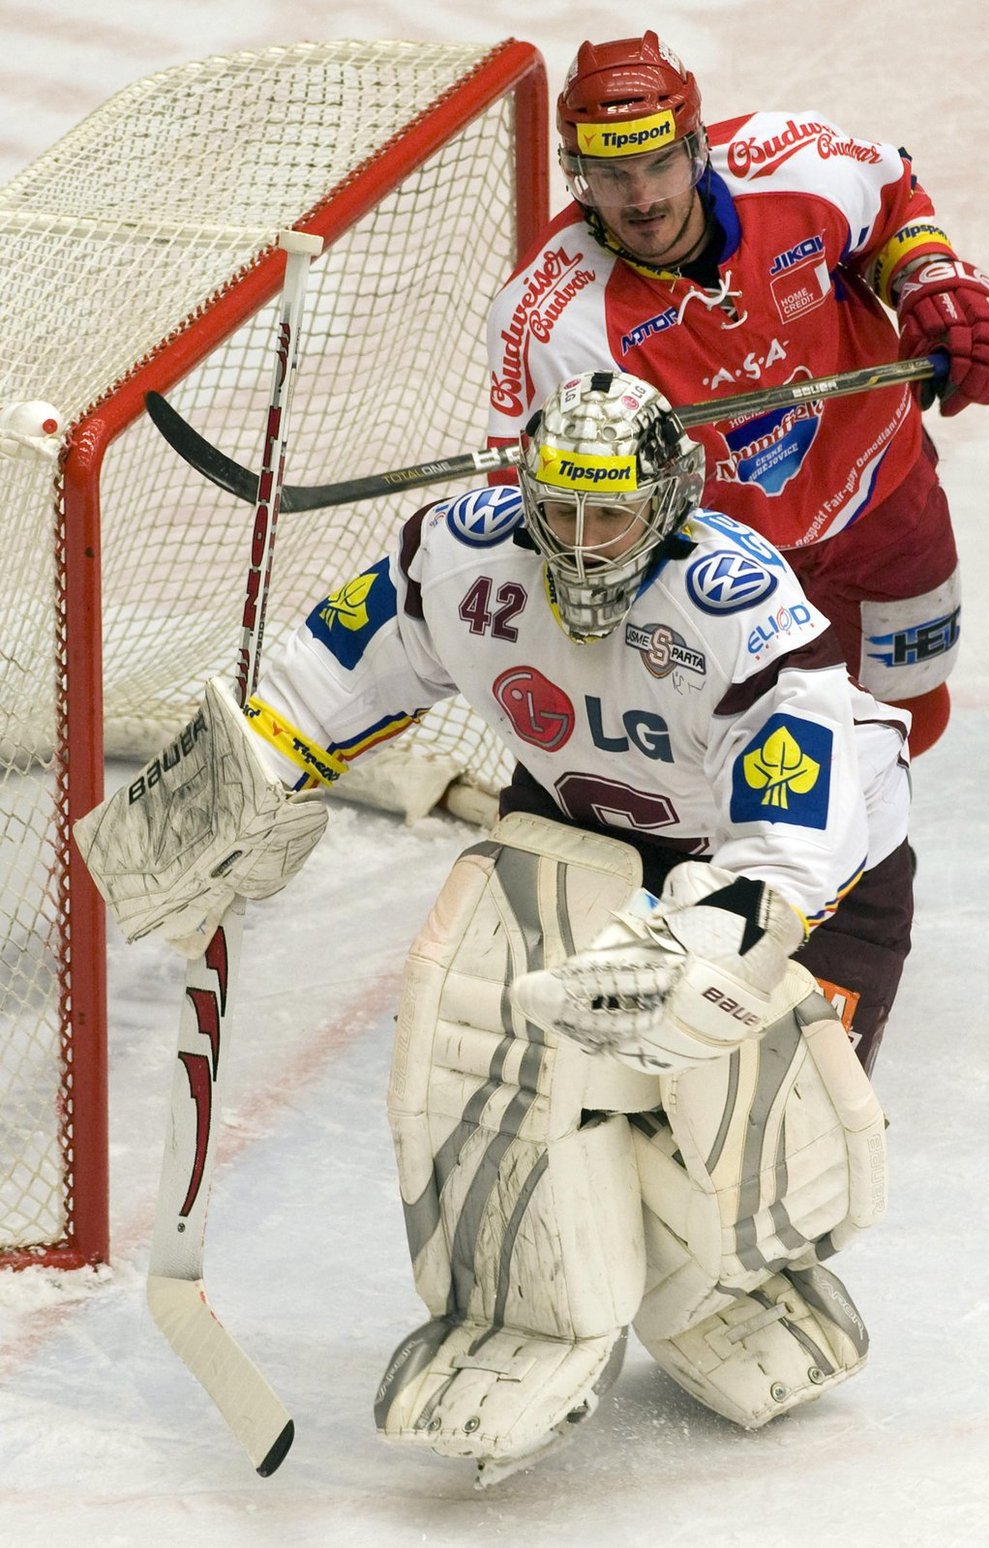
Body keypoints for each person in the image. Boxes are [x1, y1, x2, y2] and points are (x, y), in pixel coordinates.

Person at [75, 371, 908, 1485]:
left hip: (798, 870)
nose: (577, 543)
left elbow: (794, 840)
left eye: (608, 514)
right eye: (556, 509)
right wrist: (241, 783)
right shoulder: (464, 554)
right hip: (572, 827)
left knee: (732, 1113)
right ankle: (526, 1309)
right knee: (494, 1059)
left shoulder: (735, 610)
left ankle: (737, 1289)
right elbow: (331, 681)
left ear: (668, 506)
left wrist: (705, 947)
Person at [486, 32, 989, 756]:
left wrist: (930, 277)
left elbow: (893, 204)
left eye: (660, 163)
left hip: (884, 497)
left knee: (910, 714)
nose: (644, 198)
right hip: (720, 565)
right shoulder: (552, 317)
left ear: (697, 146)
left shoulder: (793, 162)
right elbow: (540, 507)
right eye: (613, 175)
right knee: (743, 756)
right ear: (577, 174)